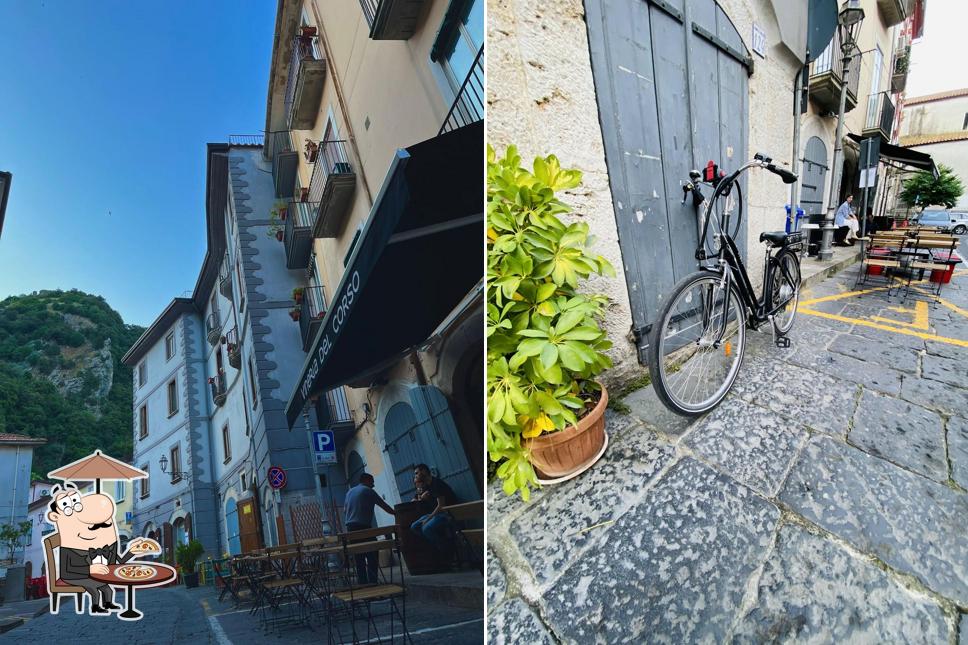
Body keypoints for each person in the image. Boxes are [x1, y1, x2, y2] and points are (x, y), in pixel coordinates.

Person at [45, 482, 155, 615]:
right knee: (93, 586)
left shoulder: (94, 543)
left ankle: (108, 603)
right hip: (72, 575)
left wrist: (132, 551)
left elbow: (117, 562)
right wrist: (89, 569)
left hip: (88, 573)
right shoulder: (69, 547)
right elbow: (67, 569)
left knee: (107, 588)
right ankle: (95, 606)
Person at [343, 473, 395, 584]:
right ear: (366, 480)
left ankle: (363, 584)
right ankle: (373, 582)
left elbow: (344, 510)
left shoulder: (349, 492)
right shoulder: (368, 491)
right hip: (363, 527)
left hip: (350, 528)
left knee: (359, 557)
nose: (373, 485)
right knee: (372, 554)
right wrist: (396, 513)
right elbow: (384, 506)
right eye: (372, 482)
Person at [409, 464, 458, 554]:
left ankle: (447, 551)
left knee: (426, 528)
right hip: (437, 514)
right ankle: (439, 544)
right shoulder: (427, 485)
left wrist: (428, 518)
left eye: (417, 473)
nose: (415, 476)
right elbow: (419, 496)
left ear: (423, 472)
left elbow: (441, 506)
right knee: (414, 527)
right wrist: (420, 498)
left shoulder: (436, 484)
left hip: (447, 513)